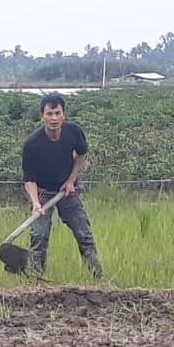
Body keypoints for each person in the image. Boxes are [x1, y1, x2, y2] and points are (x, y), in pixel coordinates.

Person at [21, 93, 104, 280]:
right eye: (49, 114)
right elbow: (29, 179)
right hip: (41, 193)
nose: (54, 118)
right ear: (42, 116)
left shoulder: (73, 131)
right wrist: (35, 203)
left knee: (84, 234)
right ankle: (36, 281)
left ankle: (99, 280)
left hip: (67, 191)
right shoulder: (32, 144)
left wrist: (71, 180)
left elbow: (81, 154)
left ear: (64, 115)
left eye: (57, 113)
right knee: (38, 238)